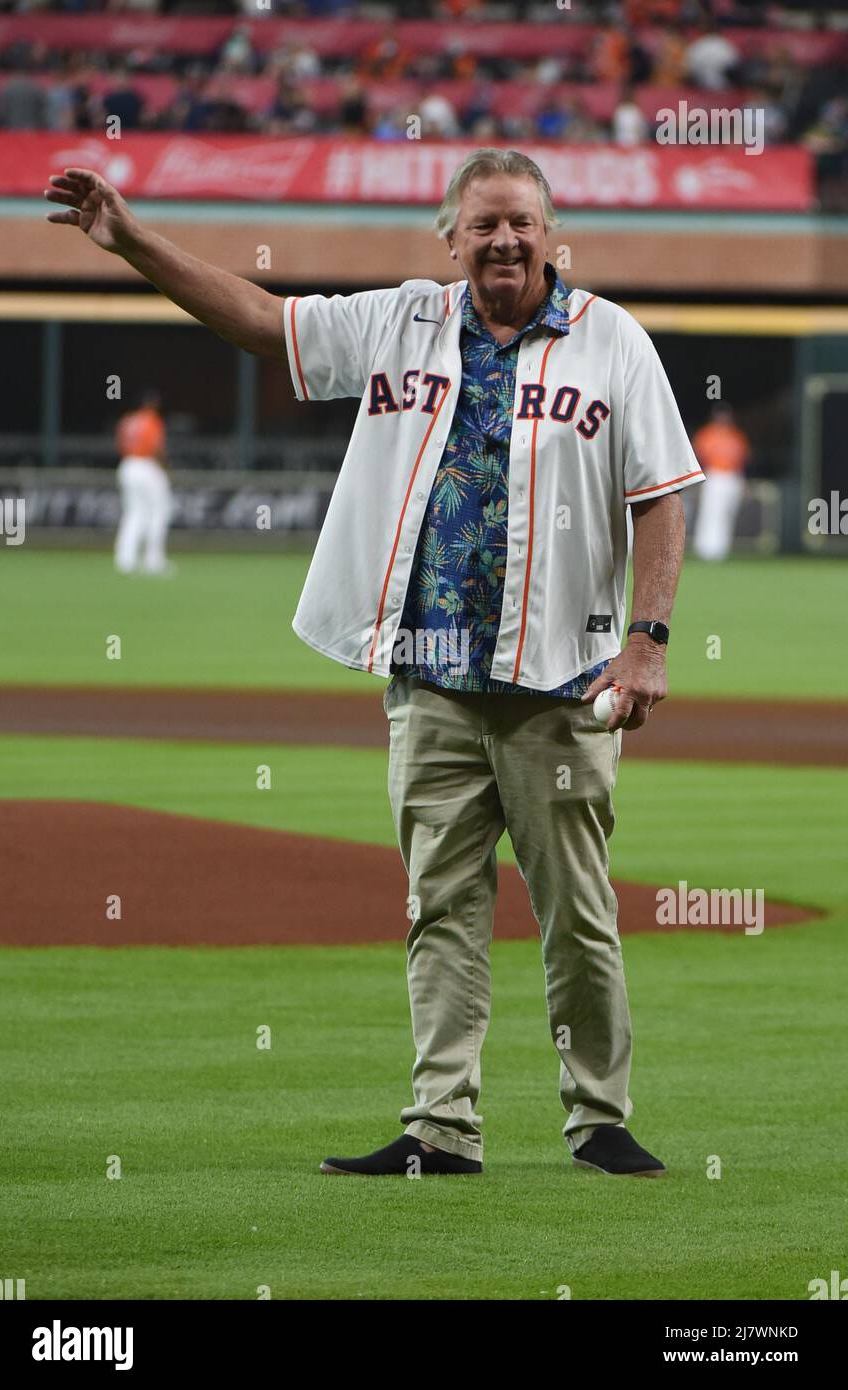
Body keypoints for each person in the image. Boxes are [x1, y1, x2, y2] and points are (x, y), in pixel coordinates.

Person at [45, 148, 704, 1179]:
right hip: (430, 678)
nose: (503, 240)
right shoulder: (400, 321)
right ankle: (440, 1126)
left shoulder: (609, 339)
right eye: (482, 223)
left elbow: (660, 492)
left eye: (520, 223)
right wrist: (129, 238)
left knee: (575, 912)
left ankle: (597, 1118)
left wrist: (648, 639)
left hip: (560, 686)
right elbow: (261, 323)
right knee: (438, 909)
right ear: (449, 236)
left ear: (549, 232)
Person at [113, 389, 173, 576]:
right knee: (160, 512)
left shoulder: (128, 420)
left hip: (127, 465)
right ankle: (153, 560)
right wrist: (165, 467)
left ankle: (125, 559)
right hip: (147, 465)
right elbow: (156, 447)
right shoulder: (151, 419)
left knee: (133, 513)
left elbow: (119, 445)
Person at [691, 403, 750, 561]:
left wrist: (742, 482)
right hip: (714, 476)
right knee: (710, 513)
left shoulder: (736, 436)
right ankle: (705, 549)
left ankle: (720, 549)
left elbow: (742, 461)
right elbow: (698, 459)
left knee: (727, 514)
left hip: (732, 477)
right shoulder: (706, 434)